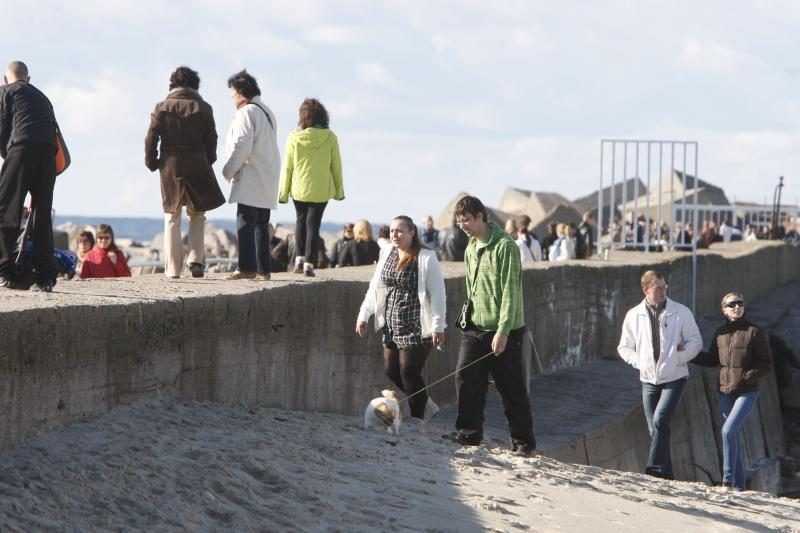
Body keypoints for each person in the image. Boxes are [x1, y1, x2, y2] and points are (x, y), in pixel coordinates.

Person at [448, 195, 536, 456]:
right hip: (474, 328)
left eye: (465, 220)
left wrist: (503, 331)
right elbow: (471, 289)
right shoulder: (470, 248)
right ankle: (468, 433)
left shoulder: (505, 246)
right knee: (465, 376)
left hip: (504, 331)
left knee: (511, 388)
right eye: (458, 221)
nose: (462, 225)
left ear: (480, 217)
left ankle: (523, 443)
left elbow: (511, 292)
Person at [356, 215, 446, 422]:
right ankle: (425, 402)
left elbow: (438, 293)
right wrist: (364, 315)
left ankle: (417, 418)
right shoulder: (387, 251)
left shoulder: (426, 257)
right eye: (392, 231)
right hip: (392, 325)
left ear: (412, 232)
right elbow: (375, 286)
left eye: (400, 231)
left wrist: (438, 326)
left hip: (417, 325)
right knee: (391, 370)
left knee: (409, 371)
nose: (395, 235)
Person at [617, 270, 702, 480]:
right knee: (656, 428)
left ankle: (653, 470)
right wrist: (639, 363)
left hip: (675, 377)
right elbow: (624, 347)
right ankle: (668, 475)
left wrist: (678, 359)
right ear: (646, 290)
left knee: (660, 419)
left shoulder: (681, 312)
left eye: (665, 287)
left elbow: (695, 341)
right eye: (658, 288)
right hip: (648, 379)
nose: (663, 291)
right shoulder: (633, 315)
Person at [145, 66, 225, 280]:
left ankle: (172, 269)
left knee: (172, 215)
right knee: (197, 213)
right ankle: (196, 259)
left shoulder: (162, 107)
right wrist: (208, 160)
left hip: (171, 165)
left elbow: (151, 139)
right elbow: (212, 139)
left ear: (172, 84)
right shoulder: (204, 108)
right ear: (195, 85)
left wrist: (152, 162)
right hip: (198, 161)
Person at [692, 292, 772, 490]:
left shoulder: (755, 332)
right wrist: (687, 354)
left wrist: (749, 376)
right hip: (725, 392)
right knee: (732, 435)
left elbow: (767, 363)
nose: (737, 307)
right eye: (732, 304)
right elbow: (712, 360)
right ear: (724, 309)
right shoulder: (720, 332)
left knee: (727, 430)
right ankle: (739, 487)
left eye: (740, 303)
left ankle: (727, 480)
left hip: (747, 392)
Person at [0, 61, 59, 292]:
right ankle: (45, 276)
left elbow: (2, 129)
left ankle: (5, 271)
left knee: (6, 208)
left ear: (6, 79)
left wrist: (9, 157)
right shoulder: (43, 98)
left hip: (22, 147)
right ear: (29, 79)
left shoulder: (6, 91)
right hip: (48, 154)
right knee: (42, 213)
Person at [221, 70, 280, 282]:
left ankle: (246, 267)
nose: (231, 98)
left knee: (245, 222)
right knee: (262, 225)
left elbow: (242, 145)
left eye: (233, 93)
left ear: (241, 93)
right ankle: (264, 269)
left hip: (252, 174)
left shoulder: (247, 112)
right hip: (268, 175)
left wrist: (228, 170)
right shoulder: (267, 111)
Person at [279, 98, 344, 277]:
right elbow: (336, 166)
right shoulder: (330, 137)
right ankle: (309, 263)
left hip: (299, 187)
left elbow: (287, 166)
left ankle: (298, 260)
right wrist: (339, 191)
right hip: (321, 188)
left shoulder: (293, 137)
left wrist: (283, 192)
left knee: (300, 222)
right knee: (313, 225)